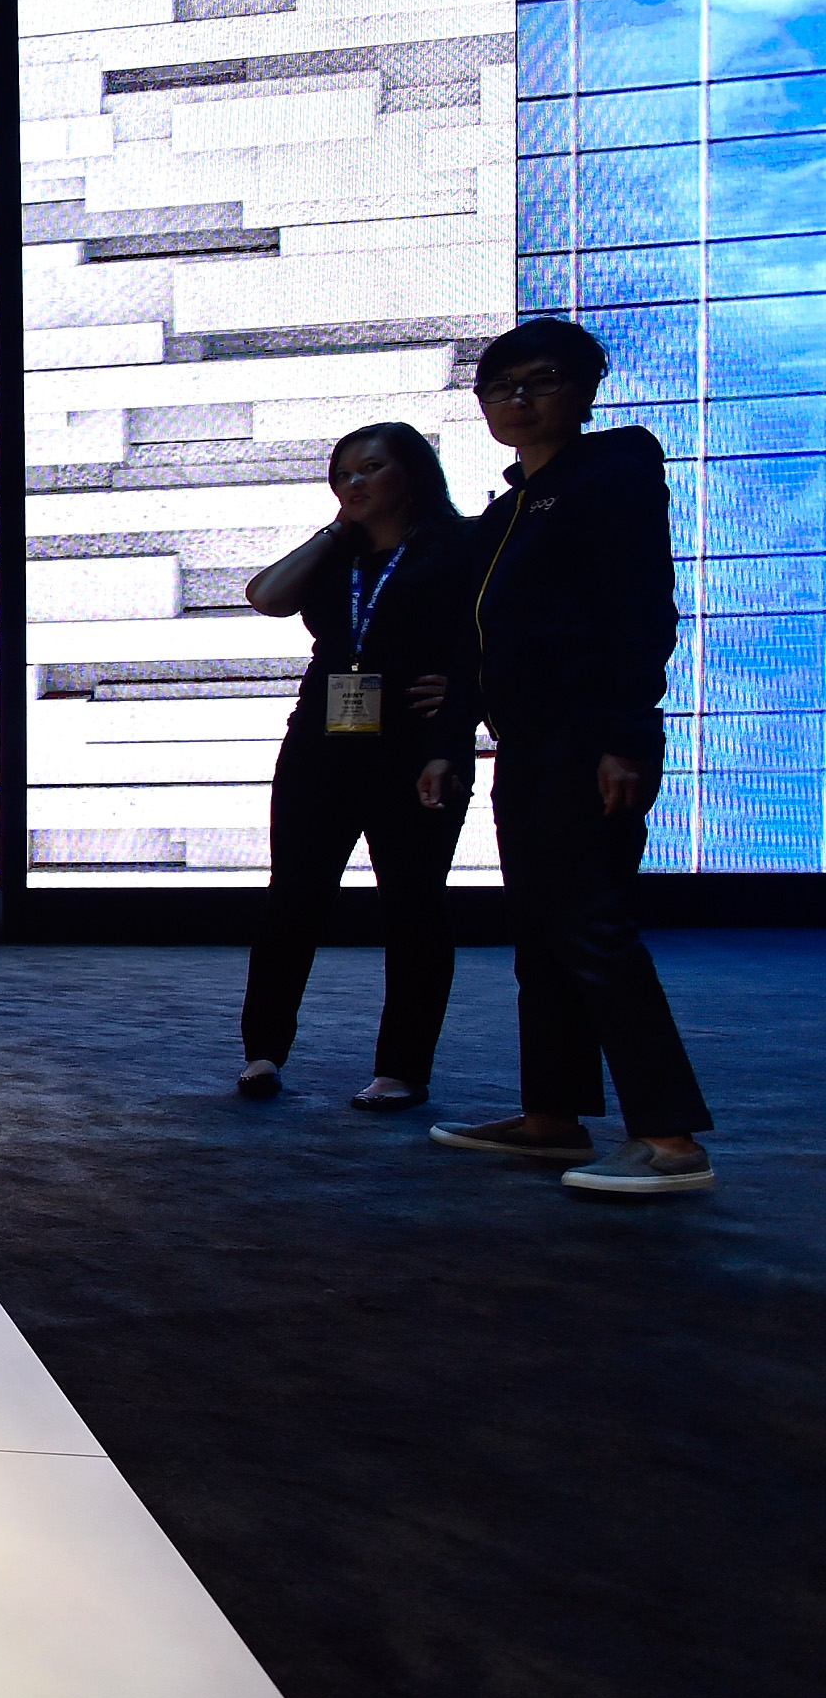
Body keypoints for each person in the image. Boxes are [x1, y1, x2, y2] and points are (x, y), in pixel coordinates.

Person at [429, 317, 716, 1196]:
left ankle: (669, 1140)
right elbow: (477, 641)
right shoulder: (507, 510)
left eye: (542, 380)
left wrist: (624, 736)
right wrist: (450, 741)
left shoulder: (611, 478)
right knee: (542, 933)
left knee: (591, 926)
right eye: (500, 387)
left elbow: (641, 612)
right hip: (528, 745)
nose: (518, 399)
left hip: (589, 740)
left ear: (586, 390)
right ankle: (551, 1118)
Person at [233, 423, 477, 1111]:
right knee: (294, 895)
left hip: (416, 743)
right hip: (322, 740)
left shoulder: (459, 546)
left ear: (414, 472)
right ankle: (262, 1051)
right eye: (343, 474)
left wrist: (469, 696)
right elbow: (267, 596)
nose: (355, 483)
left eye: (372, 468)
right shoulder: (336, 553)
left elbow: (501, 632)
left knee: (413, 903)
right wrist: (335, 531)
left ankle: (402, 1068)